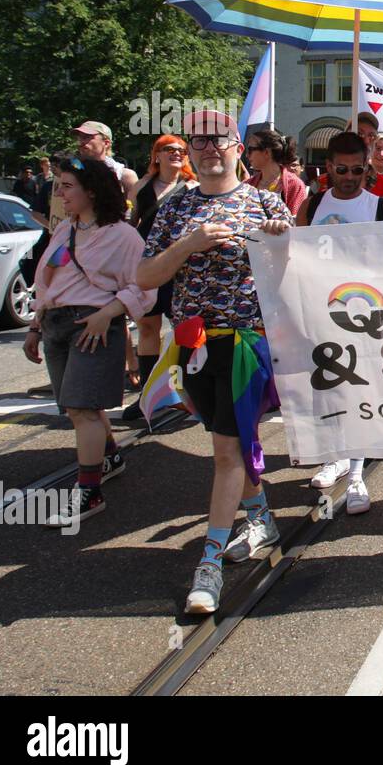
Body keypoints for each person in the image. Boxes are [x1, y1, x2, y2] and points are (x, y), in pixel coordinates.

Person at [137, 110, 292, 614]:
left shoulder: (264, 203)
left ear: (237, 149)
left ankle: (208, 567)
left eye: (219, 140)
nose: (208, 148)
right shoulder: (175, 209)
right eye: (199, 140)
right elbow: (145, 277)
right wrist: (190, 243)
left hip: (246, 347)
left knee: (226, 451)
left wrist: (279, 239)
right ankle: (260, 516)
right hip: (191, 348)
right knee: (227, 438)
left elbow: (299, 271)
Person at [24, 157, 154, 525]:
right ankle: (109, 457)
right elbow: (47, 282)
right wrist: (36, 325)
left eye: (67, 186)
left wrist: (108, 314)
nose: (59, 194)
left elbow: (144, 286)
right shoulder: (65, 229)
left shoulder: (123, 236)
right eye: (58, 186)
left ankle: (89, 492)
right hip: (56, 325)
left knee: (82, 409)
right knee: (78, 407)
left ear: (92, 191)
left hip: (93, 326)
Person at [290, 131, 383, 513]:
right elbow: (294, 252)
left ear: (366, 167)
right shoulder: (313, 204)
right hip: (320, 311)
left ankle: (355, 472)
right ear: (329, 167)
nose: (349, 177)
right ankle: (333, 455)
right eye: (342, 169)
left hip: (363, 313)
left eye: (357, 169)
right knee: (326, 387)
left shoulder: (380, 206)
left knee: (358, 390)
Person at [120, 135, 197, 421]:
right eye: (169, 150)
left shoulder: (193, 188)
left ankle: (187, 392)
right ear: (157, 155)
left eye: (181, 150)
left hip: (180, 268)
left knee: (184, 332)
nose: (176, 154)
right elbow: (129, 225)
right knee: (148, 330)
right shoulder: (140, 187)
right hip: (149, 267)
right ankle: (149, 394)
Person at [48, 122, 138, 231]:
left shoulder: (124, 175)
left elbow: (134, 217)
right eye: (79, 138)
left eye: (87, 137)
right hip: (76, 238)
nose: (81, 142)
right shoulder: (72, 171)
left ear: (106, 143)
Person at [246, 128, 309, 217]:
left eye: (250, 149)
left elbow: (296, 224)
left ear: (267, 152)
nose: (247, 155)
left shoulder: (294, 185)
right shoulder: (247, 185)